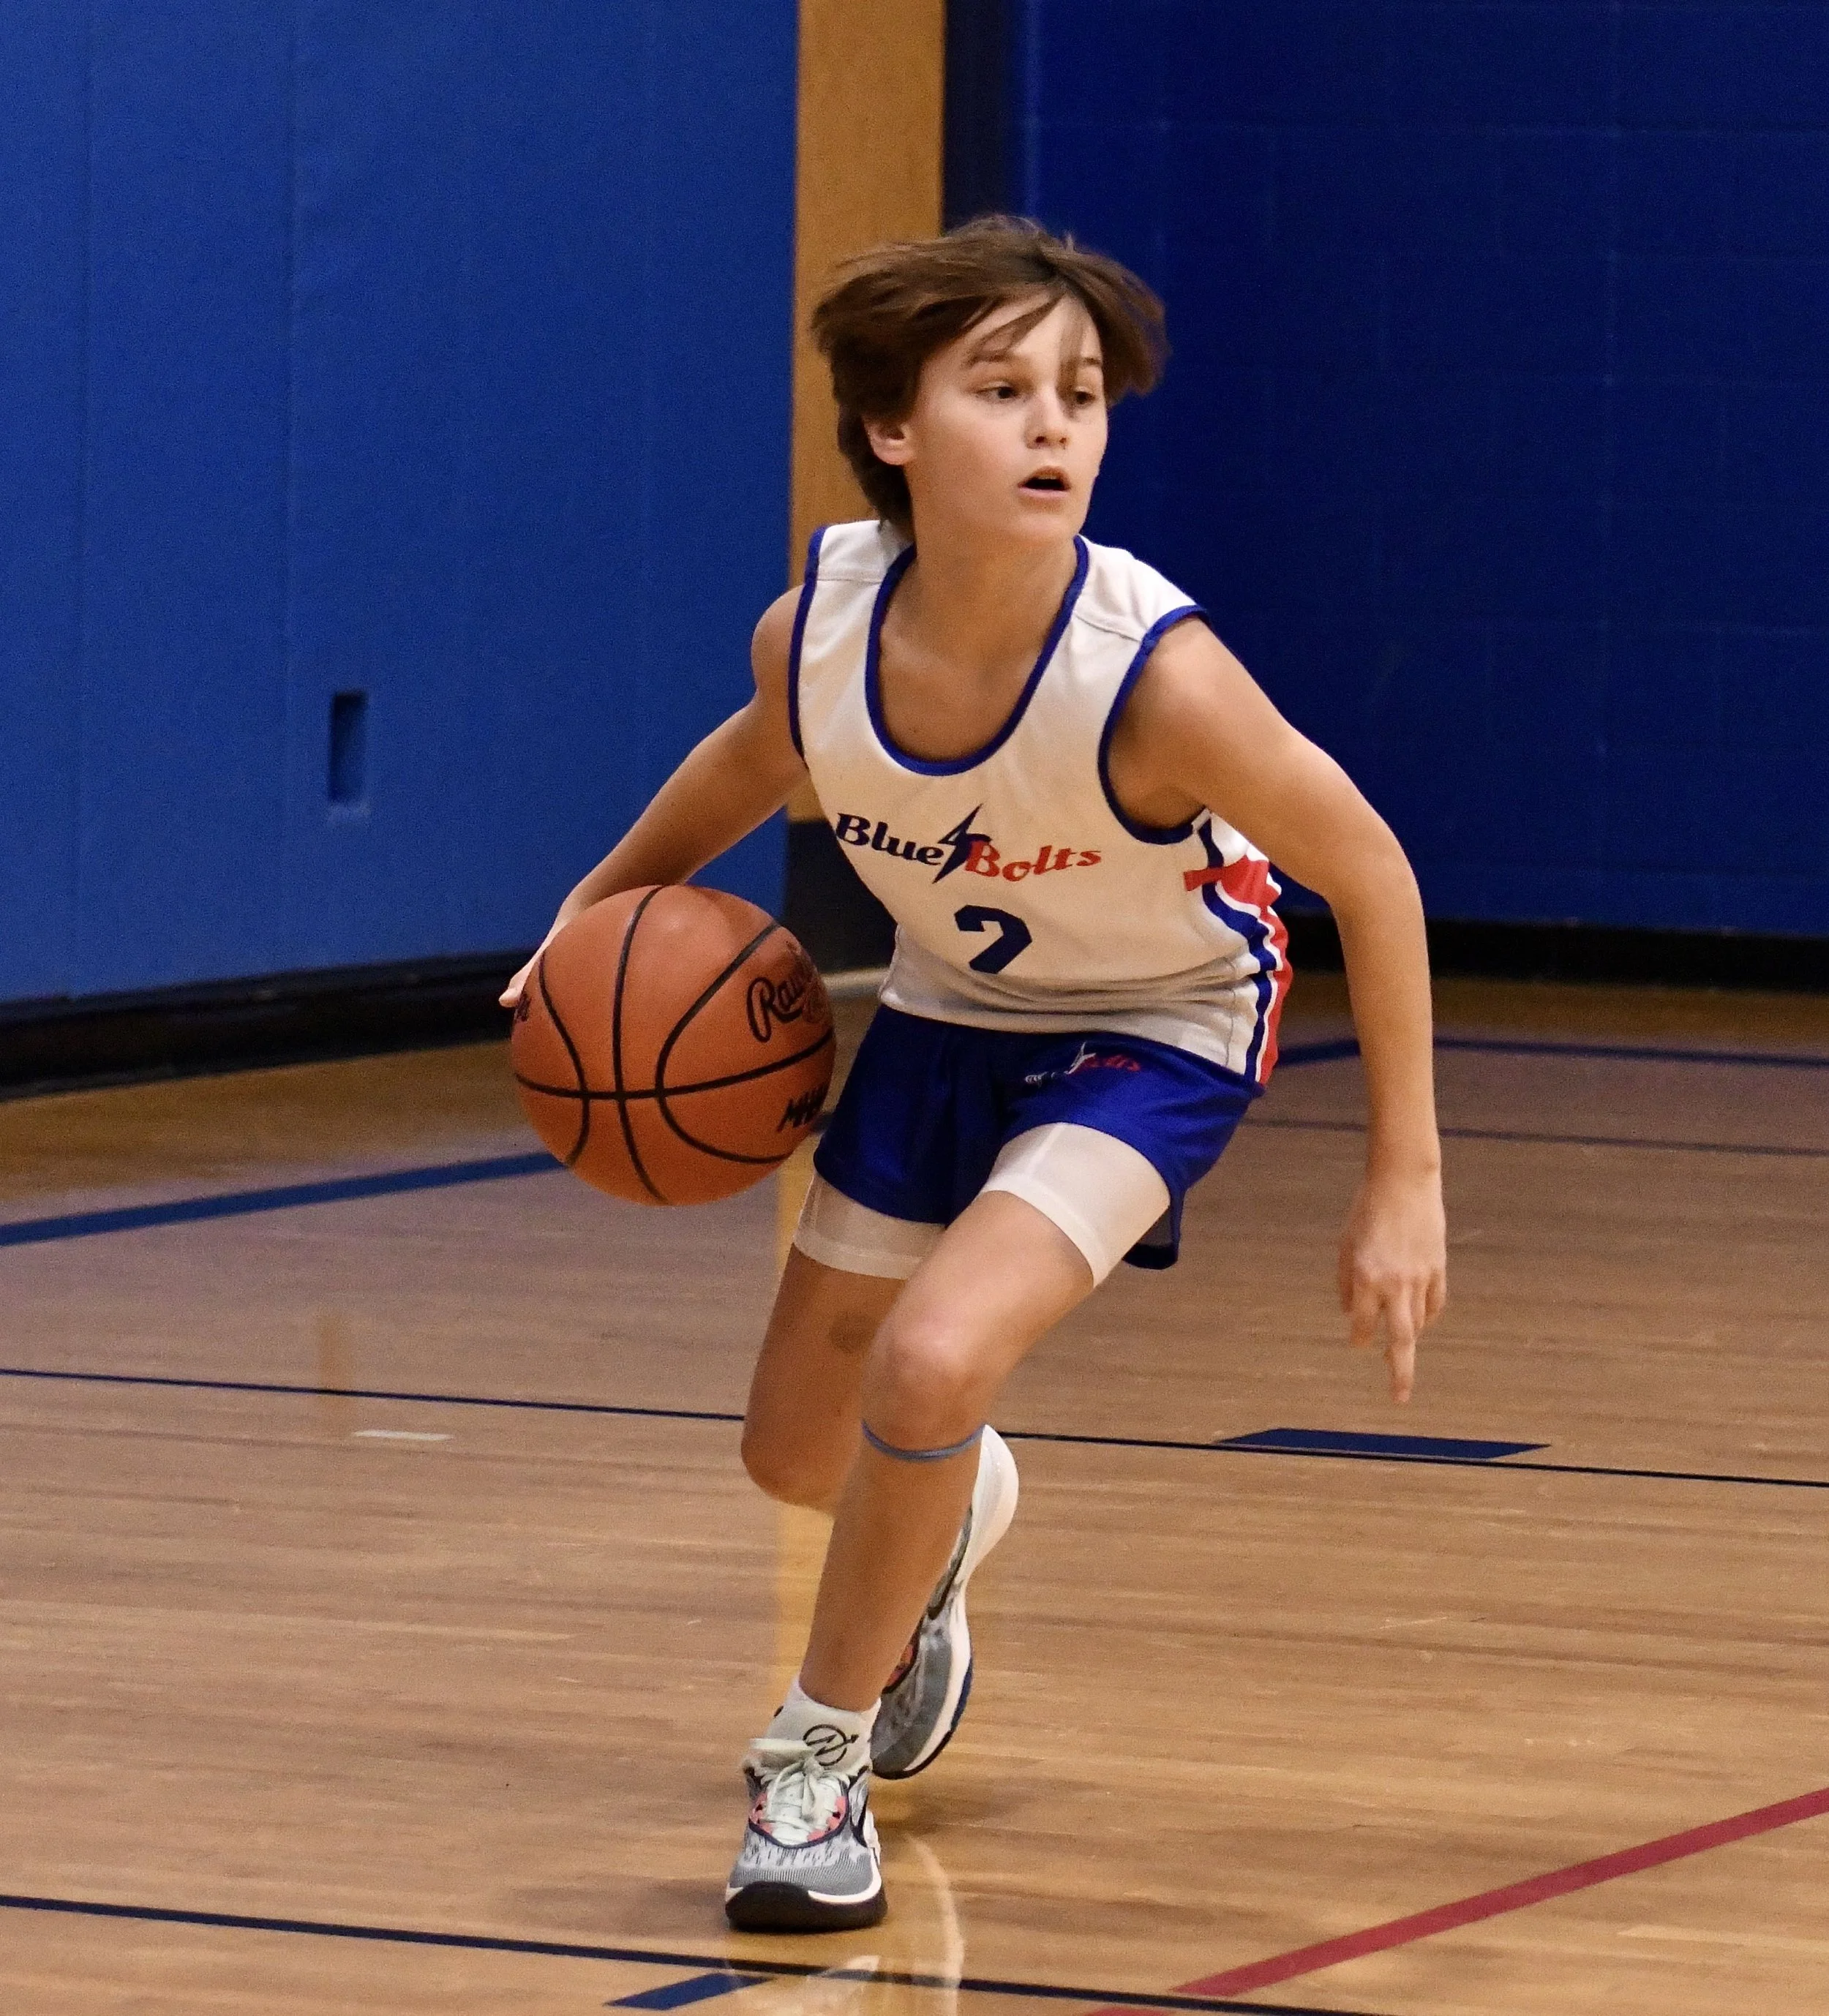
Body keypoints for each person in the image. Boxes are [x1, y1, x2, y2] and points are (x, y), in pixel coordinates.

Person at [502, 217, 1447, 1933]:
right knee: (799, 1448)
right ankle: (939, 1534)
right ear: (890, 431)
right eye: (1000, 389)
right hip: (947, 1010)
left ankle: (810, 1764)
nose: (1052, 429)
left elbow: (1366, 866)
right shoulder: (821, 629)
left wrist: (1406, 1177)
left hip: (1157, 1023)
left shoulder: (1155, 677)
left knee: (932, 1363)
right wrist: (590, 913)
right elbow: (741, 768)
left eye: (1077, 396)